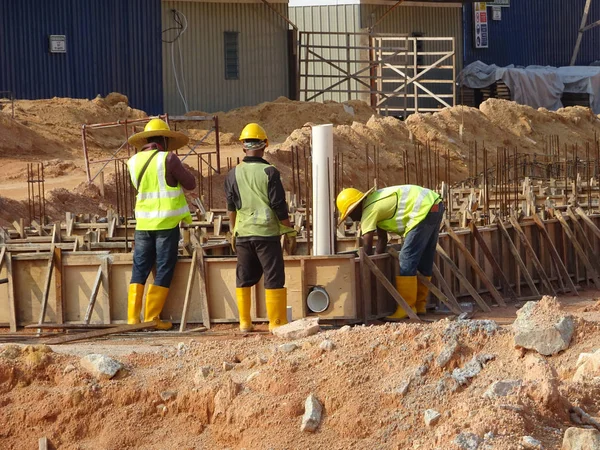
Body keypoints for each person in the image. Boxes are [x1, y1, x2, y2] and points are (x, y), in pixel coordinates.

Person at [126, 118, 196, 330]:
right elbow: (190, 183)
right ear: (165, 140)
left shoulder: (133, 161)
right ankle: (152, 318)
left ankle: (132, 319)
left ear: (146, 140)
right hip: (166, 224)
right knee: (164, 268)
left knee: (139, 269)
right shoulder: (168, 159)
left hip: (143, 225)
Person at [224, 123, 294, 332]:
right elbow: (278, 205)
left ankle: (245, 323)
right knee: (273, 276)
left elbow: (230, 207)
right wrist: (289, 230)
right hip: (266, 234)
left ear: (243, 147)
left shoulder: (232, 174)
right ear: (264, 146)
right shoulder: (270, 172)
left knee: (244, 276)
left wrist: (233, 230)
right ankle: (276, 322)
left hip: (243, 234)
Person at [336, 185, 444, 319]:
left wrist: (365, 265)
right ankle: (420, 305)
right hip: (435, 205)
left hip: (423, 209)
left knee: (406, 258)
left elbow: (367, 243)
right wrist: (377, 259)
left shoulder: (368, 210)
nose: (352, 219)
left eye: (350, 214)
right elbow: (382, 239)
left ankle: (407, 307)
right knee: (425, 256)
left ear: (356, 207)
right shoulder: (376, 202)